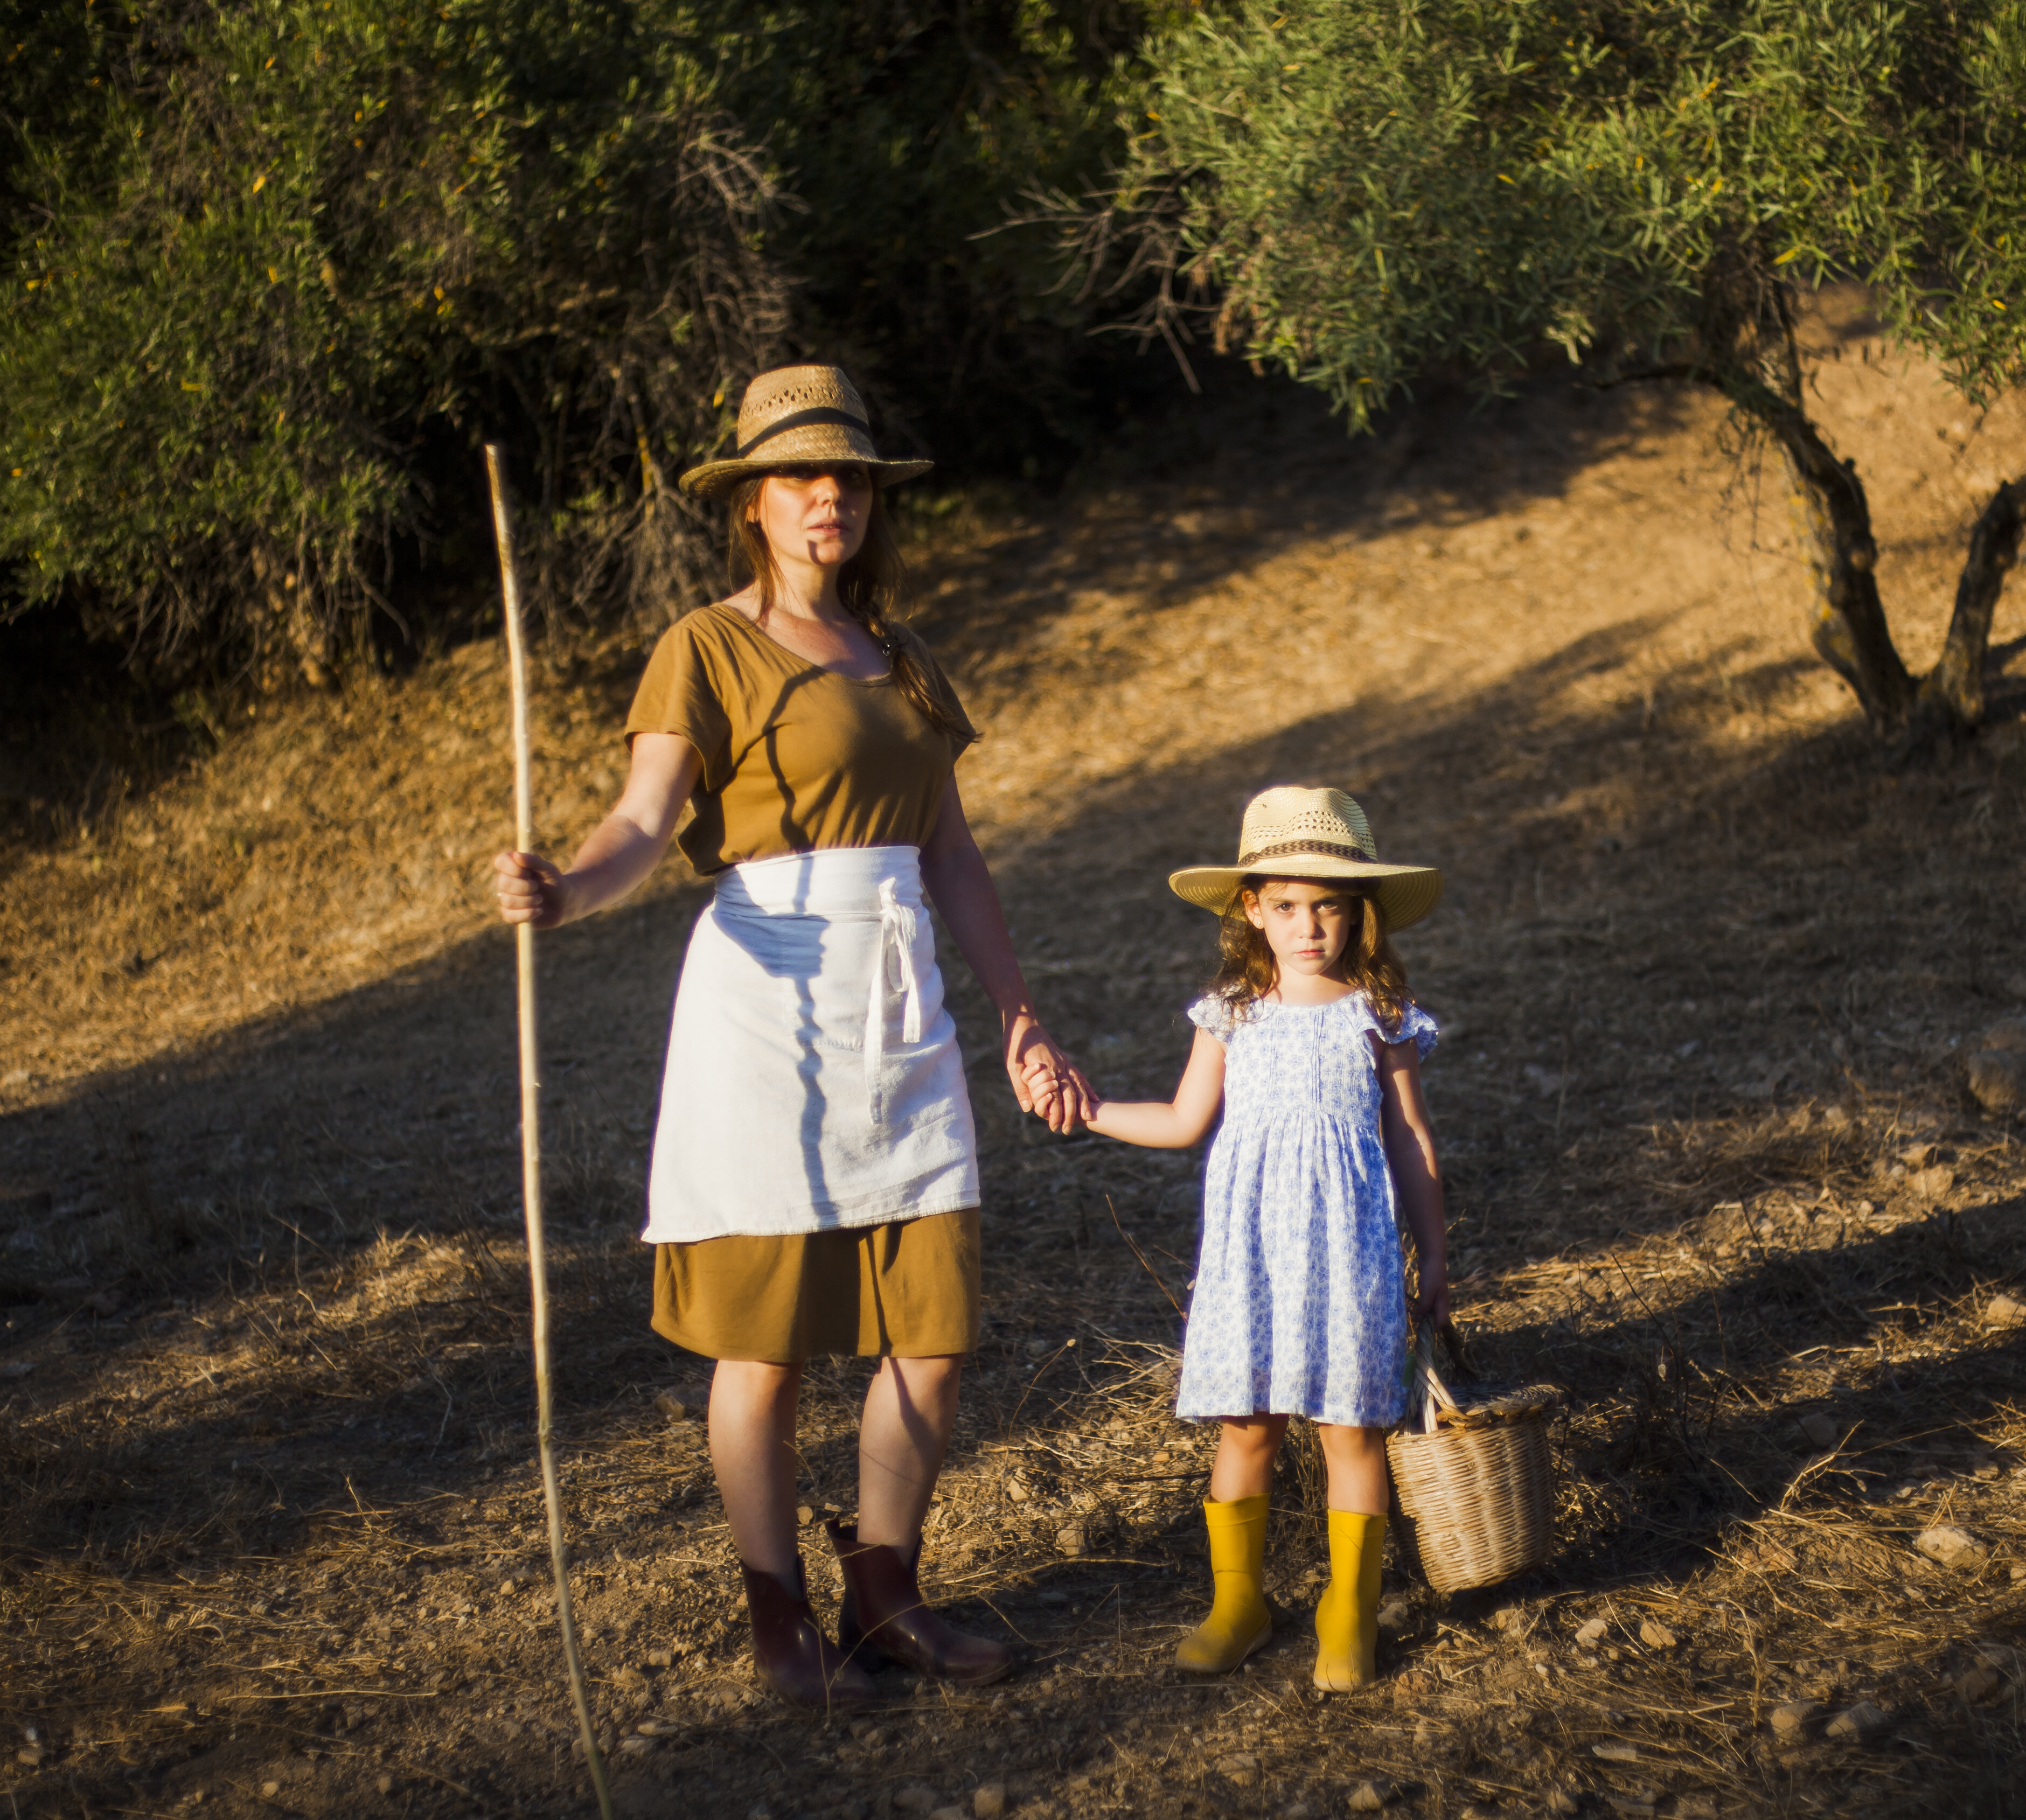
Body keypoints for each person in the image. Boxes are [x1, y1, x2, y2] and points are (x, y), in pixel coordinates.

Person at [491, 364, 1096, 1711]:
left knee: (929, 1329)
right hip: (766, 1008)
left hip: (902, 1007)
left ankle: (886, 1595)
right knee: (763, 1346)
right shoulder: (704, 647)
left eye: (852, 477)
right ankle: (780, 1623)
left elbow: (954, 858)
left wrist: (1020, 1017)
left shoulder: (906, 656)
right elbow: (646, 821)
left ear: (874, 500)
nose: (831, 497)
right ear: (754, 505)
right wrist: (568, 890)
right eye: (802, 479)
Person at [1068, 785, 1449, 1692]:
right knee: (1247, 1427)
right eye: (1286, 905)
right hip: (1252, 1255)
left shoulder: (1378, 1015)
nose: (1308, 926)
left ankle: (1346, 1613)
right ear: (1253, 910)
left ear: (1361, 915)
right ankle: (1238, 1604)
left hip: (1348, 1249)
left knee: (1349, 1431)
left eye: (1328, 906)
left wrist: (1434, 1255)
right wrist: (1089, 1111)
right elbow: (1182, 1119)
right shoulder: (1231, 1013)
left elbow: (1412, 1139)